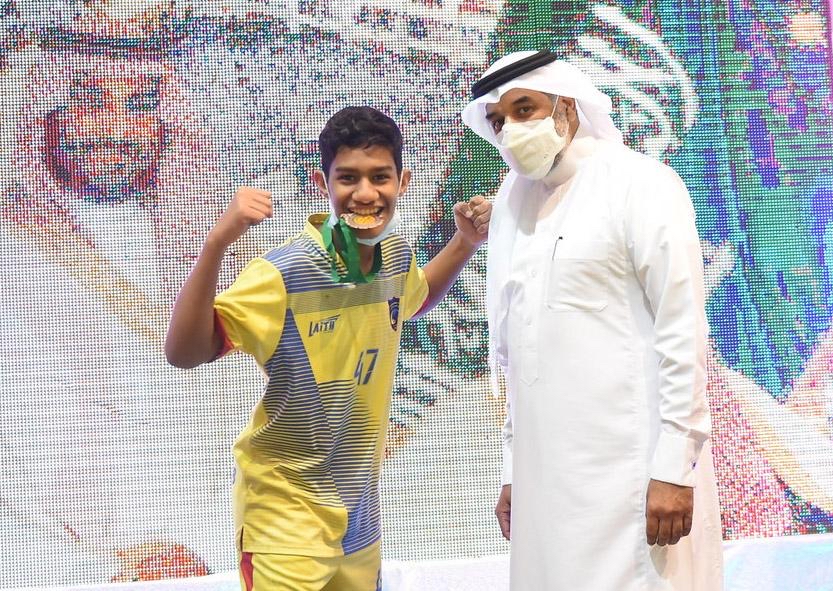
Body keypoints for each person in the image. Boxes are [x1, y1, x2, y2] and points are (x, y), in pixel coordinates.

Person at [164, 106, 490, 590]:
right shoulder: (285, 270)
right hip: (285, 514)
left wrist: (464, 243)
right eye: (348, 178)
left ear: (403, 182)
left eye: (380, 177)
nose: (365, 193)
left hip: (359, 515)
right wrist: (217, 242)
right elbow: (184, 353)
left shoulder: (395, 256)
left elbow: (415, 299)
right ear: (322, 183)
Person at [461, 50, 724, 590]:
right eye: (498, 121)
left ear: (566, 106)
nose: (511, 129)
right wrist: (514, 470)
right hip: (547, 482)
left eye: (525, 109)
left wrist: (675, 465)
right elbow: (514, 354)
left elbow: (682, 329)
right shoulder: (513, 204)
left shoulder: (640, 183)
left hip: (634, 473)